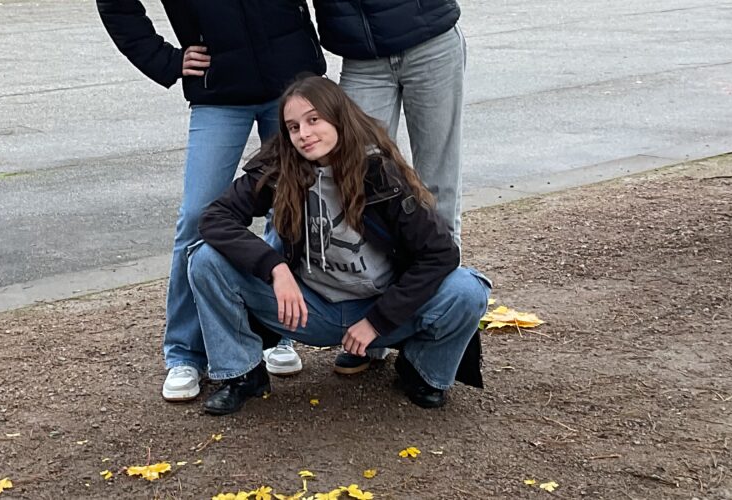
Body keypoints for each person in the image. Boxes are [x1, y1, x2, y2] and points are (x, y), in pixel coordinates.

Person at [188, 76, 489, 416]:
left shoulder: (381, 173)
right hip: (308, 309)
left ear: (338, 118)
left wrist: (378, 321)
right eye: (293, 126)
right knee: (205, 258)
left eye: (314, 119)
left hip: (377, 310)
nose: (304, 133)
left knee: (468, 289)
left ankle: (421, 371)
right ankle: (243, 375)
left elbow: (441, 253)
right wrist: (275, 268)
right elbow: (215, 218)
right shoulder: (281, 166)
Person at [94, 0, 326, 402]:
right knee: (198, 217)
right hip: (220, 90)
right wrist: (163, 60)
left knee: (288, 210)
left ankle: (276, 334)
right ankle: (185, 353)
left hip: (292, 84)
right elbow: (116, 5)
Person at [312, 0, 470, 375]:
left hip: (428, 40)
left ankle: (435, 327)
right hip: (361, 57)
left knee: (436, 188)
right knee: (357, 185)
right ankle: (375, 330)